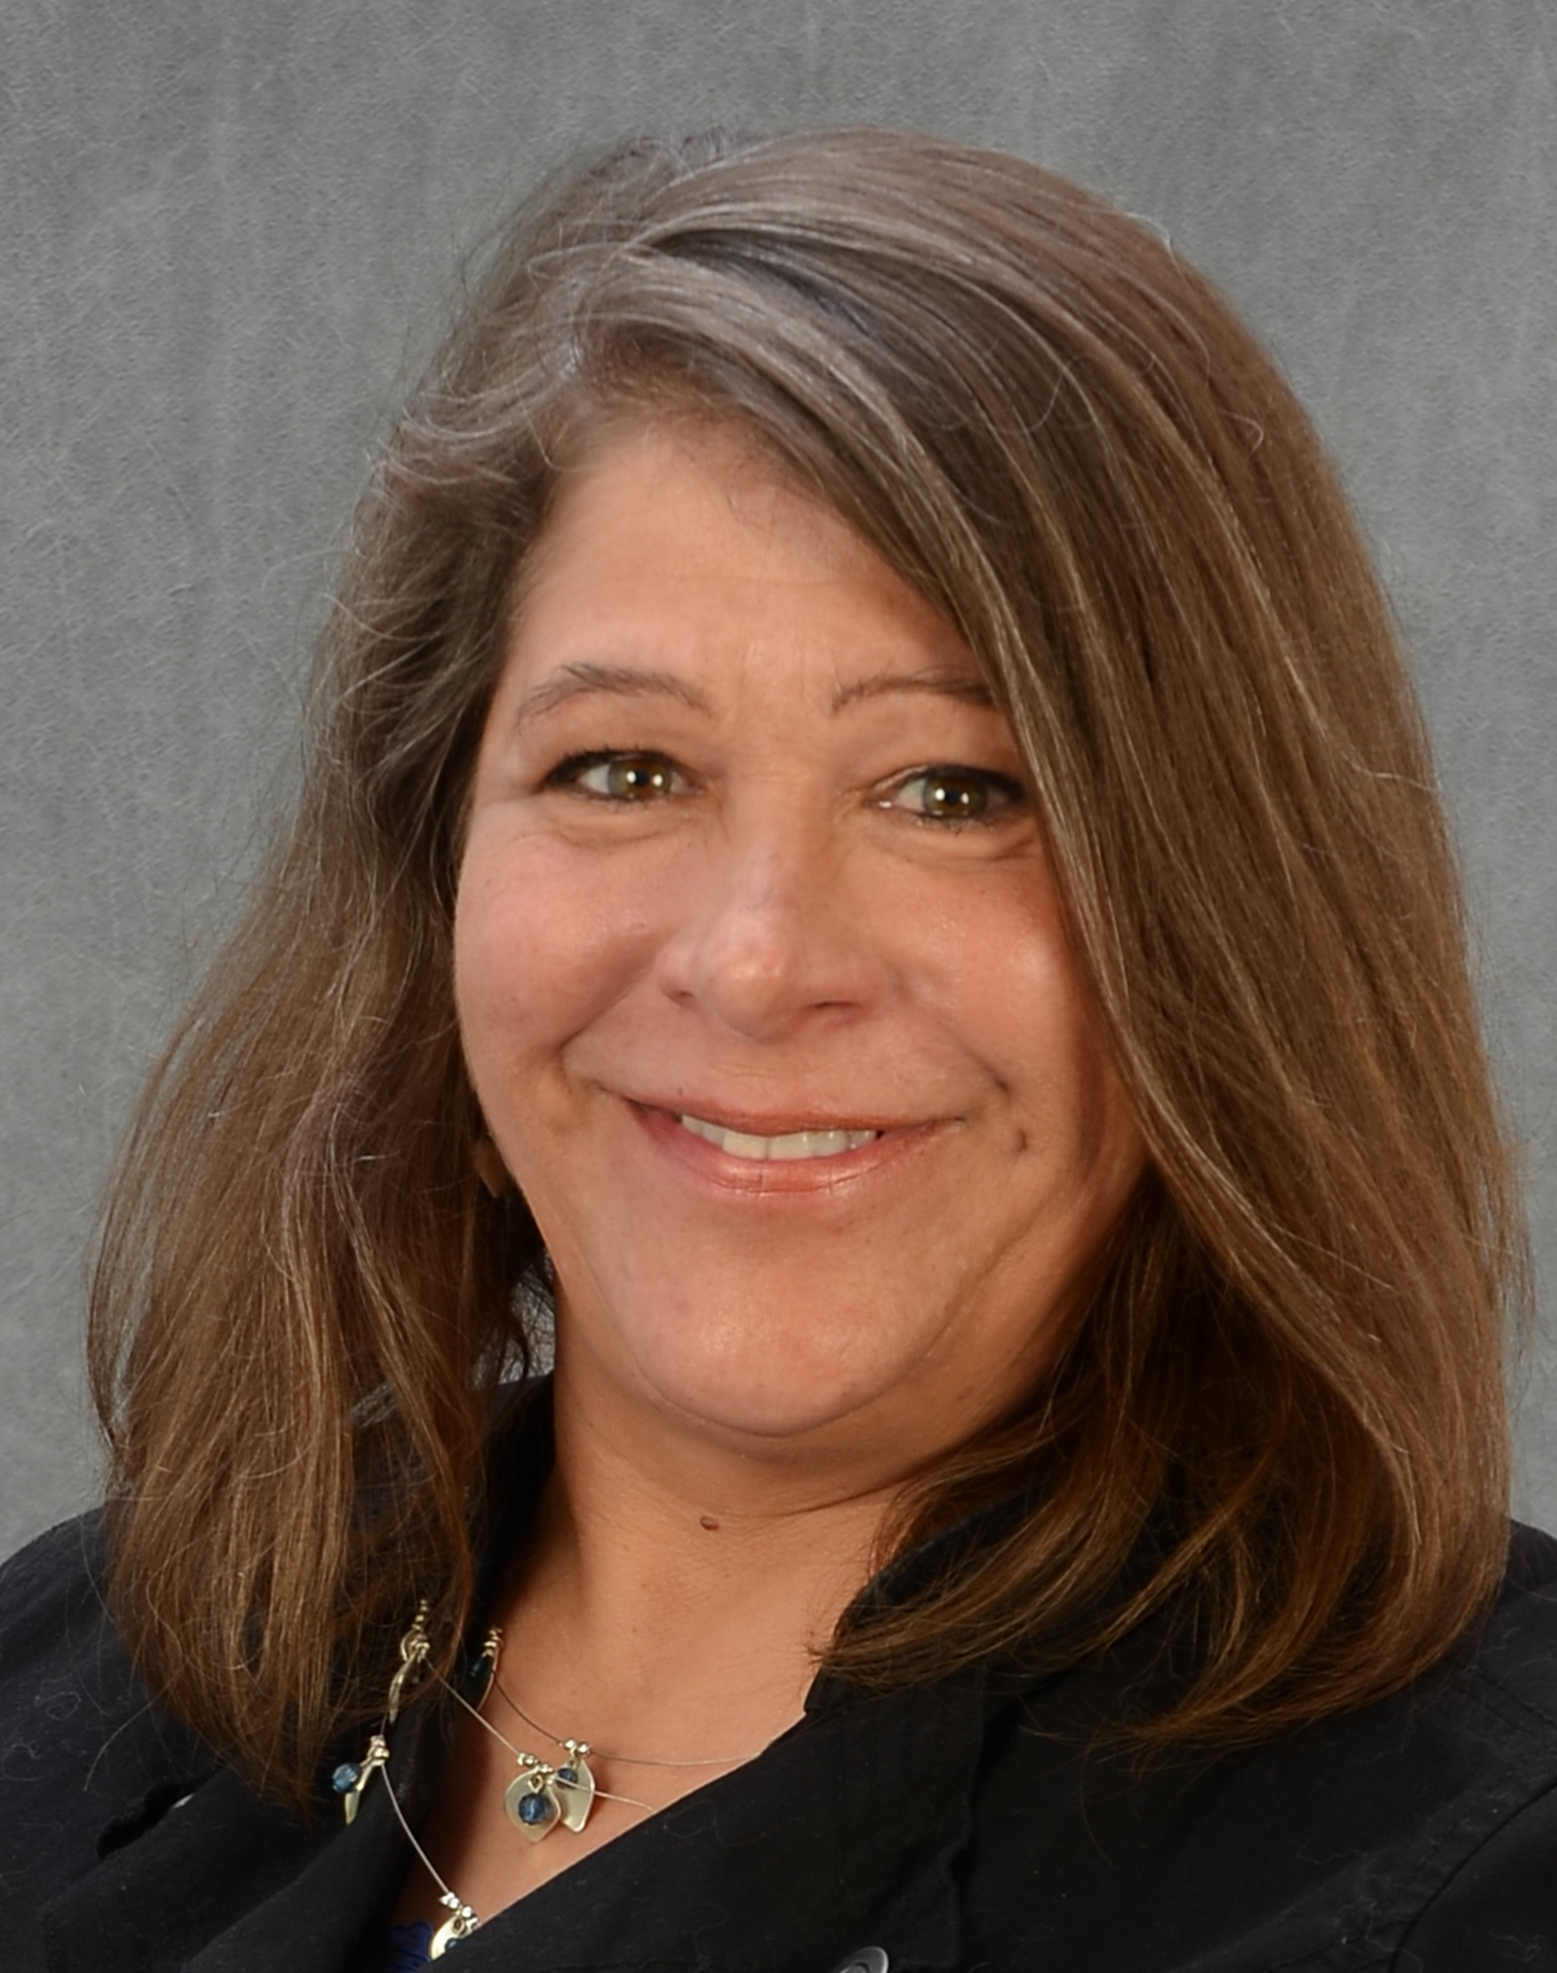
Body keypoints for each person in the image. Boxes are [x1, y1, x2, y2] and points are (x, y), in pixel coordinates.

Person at [1, 125, 1553, 1972]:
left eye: (956, 790)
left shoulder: (1479, 1880)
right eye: (625, 769)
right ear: (439, 874)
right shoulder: (79, 1672)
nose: (755, 964)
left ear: (1226, 907)